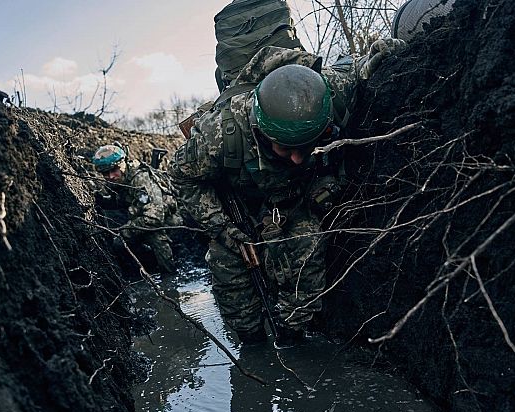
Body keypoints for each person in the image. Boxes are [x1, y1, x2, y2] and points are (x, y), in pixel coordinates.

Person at [169, 42, 404, 347]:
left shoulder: (329, 93)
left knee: (307, 255)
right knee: (230, 277)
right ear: (261, 130)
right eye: (284, 148)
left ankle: (292, 337)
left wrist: (380, 56)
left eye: (306, 147)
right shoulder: (220, 134)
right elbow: (182, 177)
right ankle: (251, 343)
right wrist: (223, 228)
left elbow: (360, 69)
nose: (296, 158)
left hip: (295, 201)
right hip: (240, 208)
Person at [93, 143, 180, 274]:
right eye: (105, 173)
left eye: (114, 170)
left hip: (169, 222)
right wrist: (102, 201)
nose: (110, 176)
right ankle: (147, 265)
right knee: (119, 244)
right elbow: (122, 201)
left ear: (123, 163)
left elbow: (154, 218)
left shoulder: (140, 179)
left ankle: (170, 276)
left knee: (155, 236)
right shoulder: (121, 179)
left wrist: (125, 231)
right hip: (143, 219)